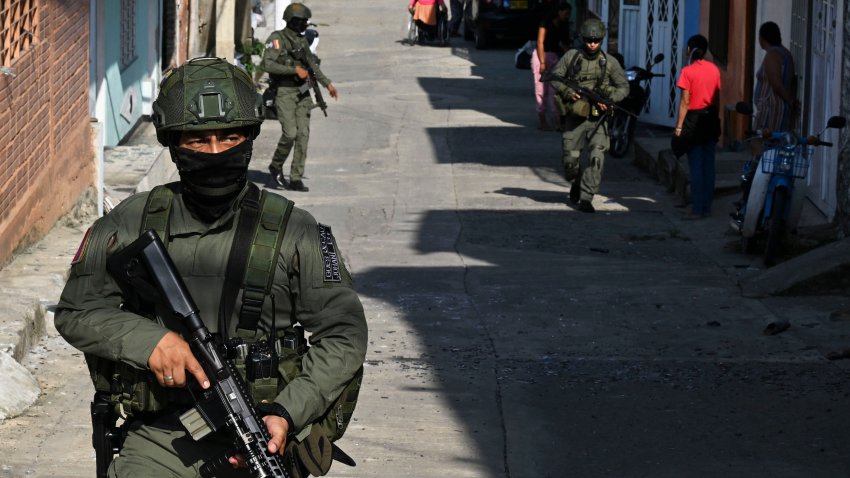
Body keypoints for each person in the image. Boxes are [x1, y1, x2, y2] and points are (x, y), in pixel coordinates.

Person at [55, 57, 368, 477]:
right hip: (164, 436)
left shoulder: (297, 231)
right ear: (172, 142)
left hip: (268, 430)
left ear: (251, 137)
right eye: (197, 141)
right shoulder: (129, 222)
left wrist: (288, 412)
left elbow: (344, 334)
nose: (216, 151)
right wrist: (152, 343)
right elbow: (77, 310)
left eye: (229, 136)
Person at [549, 18, 628, 213]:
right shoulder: (571, 57)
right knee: (570, 162)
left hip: (598, 119)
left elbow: (624, 87)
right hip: (575, 117)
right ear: (583, 39)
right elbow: (554, 77)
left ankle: (586, 197)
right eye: (588, 40)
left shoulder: (610, 62)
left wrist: (609, 99)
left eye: (596, 40)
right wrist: (568, 92)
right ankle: (576, 182)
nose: (592, 44)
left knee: (597, 159)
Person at [263, 3, 338, 192]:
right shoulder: (277, 39)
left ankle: (296, 177)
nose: (306, 24)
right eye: (303, 21)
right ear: (294, 21)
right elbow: (268, 65)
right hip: (285, 93)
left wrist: (327, 84)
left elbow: (312, 65)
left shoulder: (302, 41)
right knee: (290, 133)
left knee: (303, 135)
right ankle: (276, 165)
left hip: (303, 93)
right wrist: (293, 70)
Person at [732, 22, 799, 221]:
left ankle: (749, 202)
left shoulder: (772, 55)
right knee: (772, 156)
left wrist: (790, 101)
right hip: (780, 112)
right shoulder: (786, 53)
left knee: (761, 155)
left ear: (763, 37)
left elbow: (776, 83)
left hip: (771, 113)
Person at [673, 34, 722, 220]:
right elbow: (717, 98)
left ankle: (697, 209)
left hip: (694, 120)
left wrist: (679, 127)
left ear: (689, 50)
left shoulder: (688, 71)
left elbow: (685, 102)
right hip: (710, 118)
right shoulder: (715, 70)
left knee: (696, 165)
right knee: (709, 165)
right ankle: (706, 207)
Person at [533, 1, 572, 131]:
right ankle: (542, 120)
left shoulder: (563, 24)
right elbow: (540, 42)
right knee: (541, 91)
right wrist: (542, 62)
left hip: (554, 57)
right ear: (559, 11)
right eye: (565, 13)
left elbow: (563, 44)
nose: (567, 16)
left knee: (554, 91)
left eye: (568, 14)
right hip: (541, 56)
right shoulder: (546, 22)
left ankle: (557, 122)